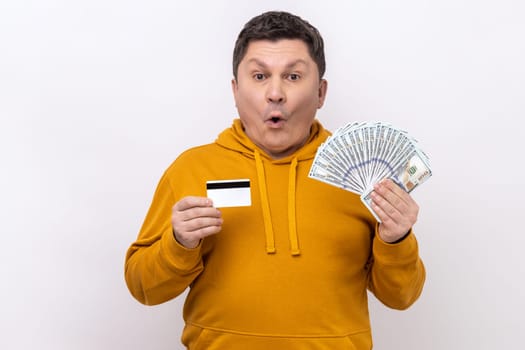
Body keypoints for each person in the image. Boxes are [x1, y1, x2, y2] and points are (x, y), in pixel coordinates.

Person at [125, 10, 425, 350]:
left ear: (321, 92)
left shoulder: (361, 177)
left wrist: (397, 239)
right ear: (236, 91)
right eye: (259, 76)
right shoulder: (192, 168)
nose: (275, 93)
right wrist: (178, 243)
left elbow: (402, 297)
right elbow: (143, 288)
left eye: (294, 76)